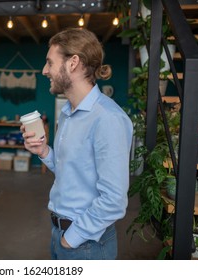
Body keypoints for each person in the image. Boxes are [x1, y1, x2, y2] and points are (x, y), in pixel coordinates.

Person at [22, 28, 133, 260]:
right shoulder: (67, 113)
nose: (44, 71)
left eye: (49, 63)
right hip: (60, 233)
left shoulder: (108, 118)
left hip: (86, 244)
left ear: (73, 63)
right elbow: (71, 170)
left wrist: (71, 239)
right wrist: (43, 151)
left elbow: (114, 200)